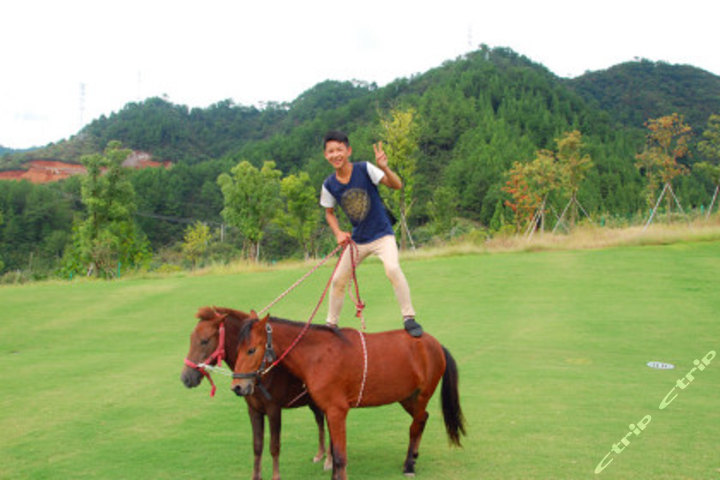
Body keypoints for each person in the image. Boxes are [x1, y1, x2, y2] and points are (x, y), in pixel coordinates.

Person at [319, 130, 423, 337]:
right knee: (338, 280)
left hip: (383, 235)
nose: (335, 154)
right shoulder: (329, 185)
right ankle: (331, 326)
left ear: (348, 151)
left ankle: (409, 317)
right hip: (357, 240)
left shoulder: (365, 168)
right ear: (326, 156)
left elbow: (397, 185)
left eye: (339, 149)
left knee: (392, 269)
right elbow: (329, 213)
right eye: (331, 151)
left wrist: (384, 167)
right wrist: (338, 232)